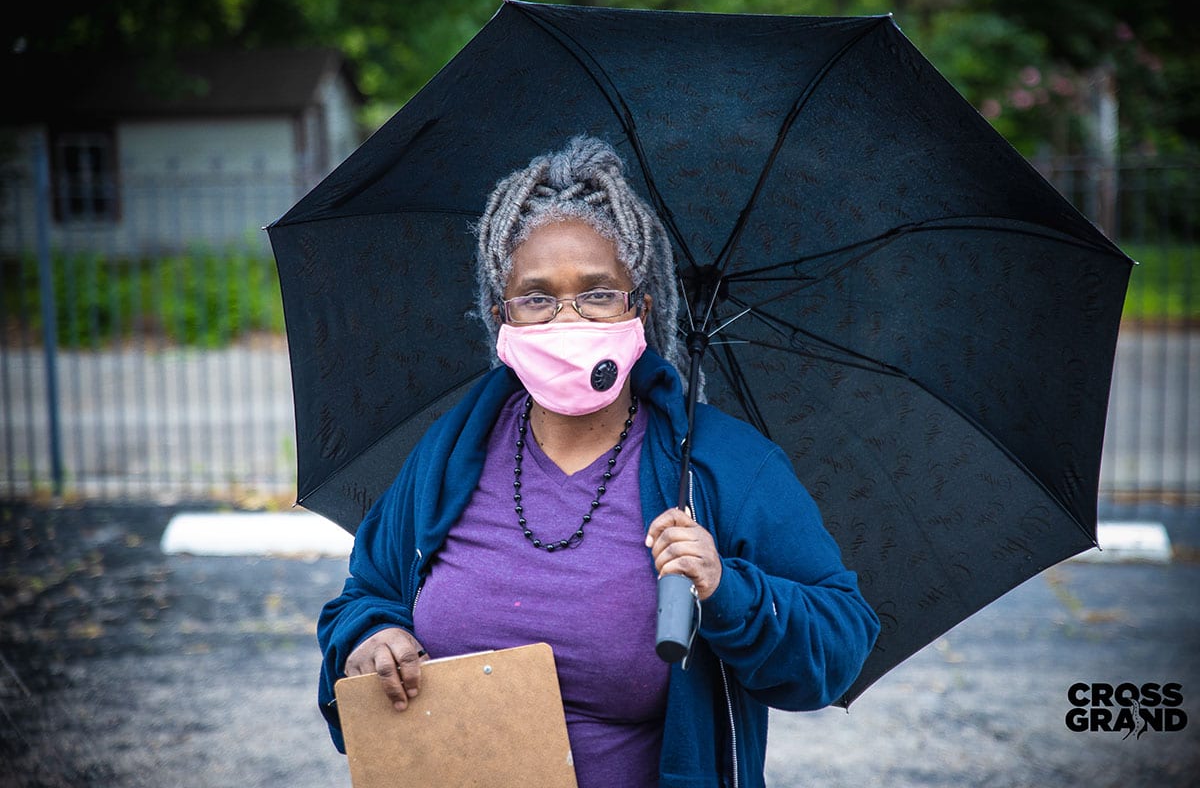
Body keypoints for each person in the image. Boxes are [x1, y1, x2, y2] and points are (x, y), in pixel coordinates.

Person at [317, 135, 880, 788]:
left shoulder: (722, 468)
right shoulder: (448, 454)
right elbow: (362, 598)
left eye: (597, 293)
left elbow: (840, 641)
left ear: (641, 306)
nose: (567, 320)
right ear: (499, 315)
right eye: (536, 298)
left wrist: (727, 589)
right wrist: (370, 637)